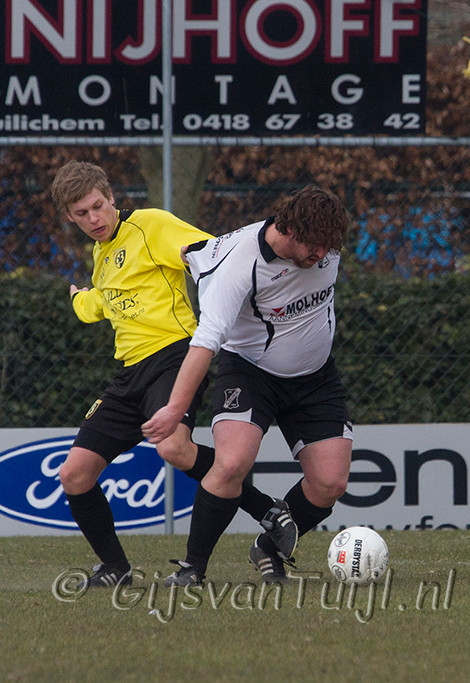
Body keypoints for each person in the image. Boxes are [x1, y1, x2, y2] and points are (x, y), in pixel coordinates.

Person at [50, 161, 297, 589]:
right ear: (70, 217)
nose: (93, 219)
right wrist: (79, 301)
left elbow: (210, 252)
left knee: (173, 448)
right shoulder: (101, 256)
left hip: (173, 358)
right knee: (74, 474)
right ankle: (116, 569)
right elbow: (102, 303)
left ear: (111, 197)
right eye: (81, 214)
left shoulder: (150, 226)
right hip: (129, 376)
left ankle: (267, 510)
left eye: (97, 206)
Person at [142, 185, 353, 587]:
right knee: (231, 465)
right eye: (314, 245)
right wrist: (174, 409)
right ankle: (192, 569)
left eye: (330, 246)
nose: (323, 255)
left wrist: (321, 246)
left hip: (316, 378)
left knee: (330, 483)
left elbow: (320, 252)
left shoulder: (325, 248)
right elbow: (205, 342)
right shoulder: (240, 265)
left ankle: (267, 548)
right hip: (251, 374)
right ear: (289, 229)